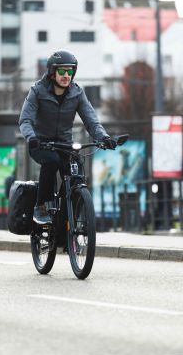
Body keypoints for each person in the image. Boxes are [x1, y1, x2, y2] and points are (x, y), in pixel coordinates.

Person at [19, 49, 116, 224]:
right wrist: (31, 138)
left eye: (70, 71)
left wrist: (103, 137)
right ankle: (40, 206)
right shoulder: (37, 91)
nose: (66, 75)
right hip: (41, 144)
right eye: (62, 71)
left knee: (76, 173)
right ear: (52, 72)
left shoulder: (77, 93)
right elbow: (25, 120)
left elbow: (91, 121)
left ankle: (71, 211)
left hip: (65, 144)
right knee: (51, 162)